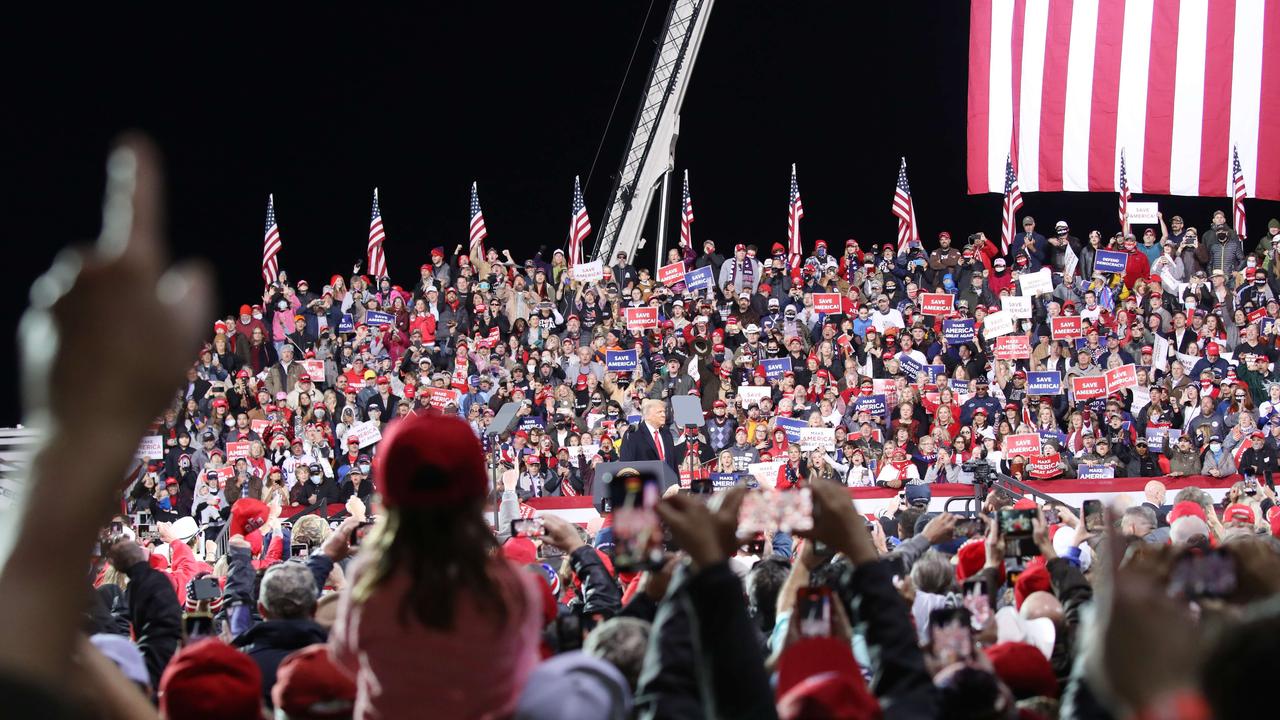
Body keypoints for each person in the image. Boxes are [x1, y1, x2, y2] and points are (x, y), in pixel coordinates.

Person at [331, 412, 545, 718]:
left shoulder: (369, 582)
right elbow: (525, 673)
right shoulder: (512, 586)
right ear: (476, 494)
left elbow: (346, 659)